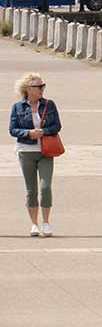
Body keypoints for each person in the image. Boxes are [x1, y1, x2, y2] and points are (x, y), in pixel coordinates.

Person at [10, 72, 60, 237]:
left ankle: (46, 223)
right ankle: (34, 224)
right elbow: (13, 130)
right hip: (26, 151)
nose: (42, 89)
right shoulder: (17, 107)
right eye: (38, 86)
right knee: (31, 190)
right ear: (28, 89)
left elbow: (57, 126)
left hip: (46, 151)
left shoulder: (49, 105)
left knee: (45, 187)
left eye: (42, 86)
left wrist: (44, 131)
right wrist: (28, 133)